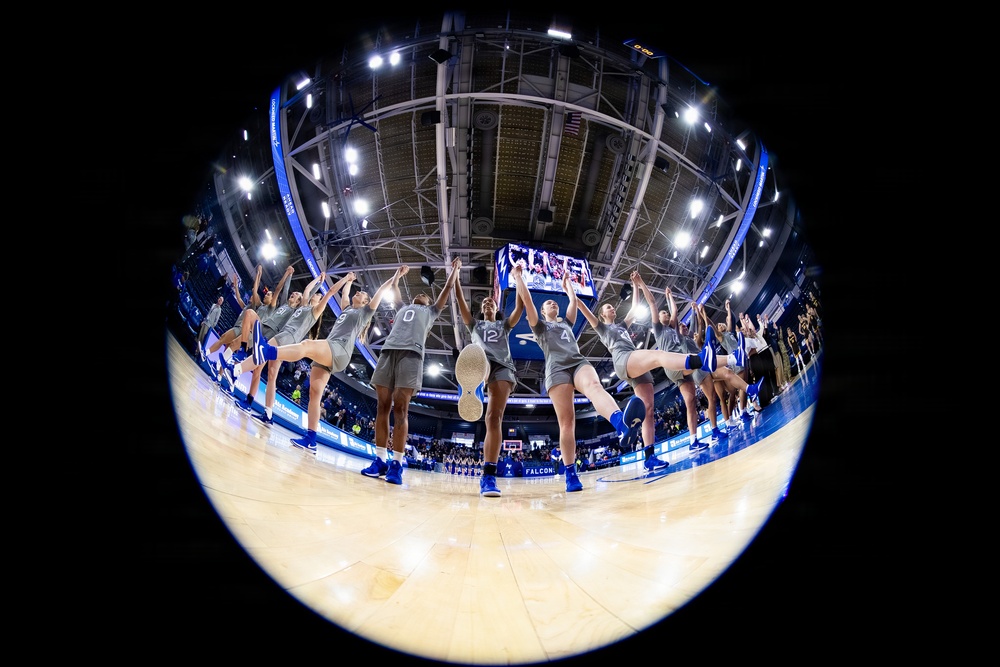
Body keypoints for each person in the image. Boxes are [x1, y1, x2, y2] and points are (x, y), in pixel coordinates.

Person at [512, 264, 672, 493]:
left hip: (578, 362)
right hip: (556, 370)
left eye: (554, 302)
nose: (552, 303)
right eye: (548, 303)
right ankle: (570, 473)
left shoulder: (566, 322)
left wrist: (568, 286)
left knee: (595, 386)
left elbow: (574, 303)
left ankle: (621, 425)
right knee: (567, 423)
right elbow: (527, 301)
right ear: (542, 310)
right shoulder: (538, 326)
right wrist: (519, 279)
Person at [247, 266, 407, 447]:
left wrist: (396, 276)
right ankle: (311, 439)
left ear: (365, 302)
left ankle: (267, 351)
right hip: (329, 353)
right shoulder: (346, 308)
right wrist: (349, 280)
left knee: (306, 345)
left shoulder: (365, 312)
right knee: (314, 394)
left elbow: (380, 290)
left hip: (339, 350)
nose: (359, 292)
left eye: (362, 293)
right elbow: (345, 293)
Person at [575, 271, 719, 472]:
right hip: (624, 360)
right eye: (608, 307)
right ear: (602, 315)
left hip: (635, 363)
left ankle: (649, 457)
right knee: (657, 355)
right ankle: (701, 359)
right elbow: (583, 308)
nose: (612, 308)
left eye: (612, 306)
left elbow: (634, 307)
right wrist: (575, 293)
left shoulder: (622, 325)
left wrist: (636, 285)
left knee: (649, 411)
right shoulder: (602, 328)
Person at [361, 258, 462, 485]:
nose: (421, 295)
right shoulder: (403, 307)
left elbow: (446, 289)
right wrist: (398, 275)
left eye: (425, 296)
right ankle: (379, 460)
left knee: (401, 409)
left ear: (428, 302)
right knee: (382, 407)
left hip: (412, 355)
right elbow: (395, 290)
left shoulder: (432, 311)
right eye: (419, 295)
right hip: (388, 351)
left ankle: (396, 464)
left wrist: (455, 270)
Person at [644, 282, 758, 453]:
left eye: (666, 312)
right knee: (710, 387)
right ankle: (733, 358)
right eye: (663, 313)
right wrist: (666, 298)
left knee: (693, 401)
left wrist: (670, 297)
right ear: (658, 319)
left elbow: (676, 313)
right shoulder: (660, 330)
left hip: (689, 367)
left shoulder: (680, 333)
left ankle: (694, 441)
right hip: (678, 365)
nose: (667, 314)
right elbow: (657, 307)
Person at [227, 271, 349, 420]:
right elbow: (307, 290)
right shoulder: (304, 305)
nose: (316, 295)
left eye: (318, 295)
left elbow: (330, 292)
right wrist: (319, 280)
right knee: (272, 375)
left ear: (320, 300)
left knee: (260, 356)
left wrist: (344, 280)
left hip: (287, 337)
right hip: (285, 338)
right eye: (316, 294)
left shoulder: (316, 311)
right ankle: (268, 414)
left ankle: (235, 371)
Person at [452, 269, 524, 497]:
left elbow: (520, 308)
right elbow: (460, 302)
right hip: (481, 362)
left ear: (495, 308)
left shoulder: (504, 326)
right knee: (476, 354)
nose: (488, 303)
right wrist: (455, 277)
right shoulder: (474, 326)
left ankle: (489, 476)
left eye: (491, 301)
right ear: (482, 309)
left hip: (503, 367)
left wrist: (519, 279)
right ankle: (473, 385)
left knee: (493, 417)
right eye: (484, 302)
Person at [205, 266, 263, 386]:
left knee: (222, 339)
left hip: (240, 330)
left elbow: (254, 291)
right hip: (238, 329)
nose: (251, 297)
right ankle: (220, 376)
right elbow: (239, 297)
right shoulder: (246, 306)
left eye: (253, 297)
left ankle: (206, 353)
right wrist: (236, 285)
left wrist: (258, 274)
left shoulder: (254, 307)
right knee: (227, 350)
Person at [196, 295, 223, 361]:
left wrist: (211, 327)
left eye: (221, 300)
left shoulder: (219, 310)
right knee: (199, 336)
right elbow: (208, 313)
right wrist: (204, 321)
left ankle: (198, 353)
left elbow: (216, 321)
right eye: (219, 298)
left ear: (222, 302)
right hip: (205, 322)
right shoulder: (213, 305)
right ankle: (196, 350)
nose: (220, 300)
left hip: (208, 325)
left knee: (202, 338)